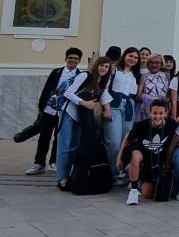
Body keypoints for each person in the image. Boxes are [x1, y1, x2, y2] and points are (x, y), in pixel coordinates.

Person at [56, 57, 113, 190]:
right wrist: (84, 103)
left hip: (82, 116)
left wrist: (107, 110)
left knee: (75, 145)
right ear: (96, 65)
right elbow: (68, 92)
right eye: (101, 65)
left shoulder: (103, 81)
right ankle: (62, 178)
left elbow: (104, 95)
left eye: (106, 67)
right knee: (65, 145)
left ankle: (72, 175)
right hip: (70, 112)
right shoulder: (84, 76)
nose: (103, 68)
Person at [25, 47, 82, 176]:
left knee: (59, 137)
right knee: (44, 137)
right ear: (66, 59)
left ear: (79, 61)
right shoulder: (56, 72)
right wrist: (41, 108)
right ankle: (39, 163)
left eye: (75, 58)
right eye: (70, 58)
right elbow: (46, 90)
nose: (72, 60)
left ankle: (54, 162)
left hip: (65, 111)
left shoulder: (80, 75)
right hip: (49, 109)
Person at [117, 100, 176, 205]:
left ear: (166, 114)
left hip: (157, 162)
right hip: (143, 158)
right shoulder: (142, 125)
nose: (157, 116)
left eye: (161, 113)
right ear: (150, 113)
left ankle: (138, 181)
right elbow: (127, 136)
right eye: (154, 113)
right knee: (134, 155)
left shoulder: (171, 124)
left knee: (147, 195)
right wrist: (120, 157)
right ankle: (133, 190)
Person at [105, 47, 140, 184]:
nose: (133, 59)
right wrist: (106, 108)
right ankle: (111, 172)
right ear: (124, 56)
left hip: (129, 107)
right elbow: (104, 89)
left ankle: (122, 171)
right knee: (113, 142)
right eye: (130, 56)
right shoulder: (114, 70)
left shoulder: (135, 75)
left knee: (126, 141)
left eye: (135, 58)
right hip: (114, 104)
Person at [137, 54, 169, 120]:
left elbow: (169, 95)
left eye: (157, 62)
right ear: (148, 64)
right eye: (151, 62)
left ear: (161, 64)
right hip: (147, 111)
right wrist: (155, 98)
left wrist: (167, 99)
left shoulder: (166, 76)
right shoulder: (144, 76)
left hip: (162, 111)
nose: (154, 65)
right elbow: (138, 96)